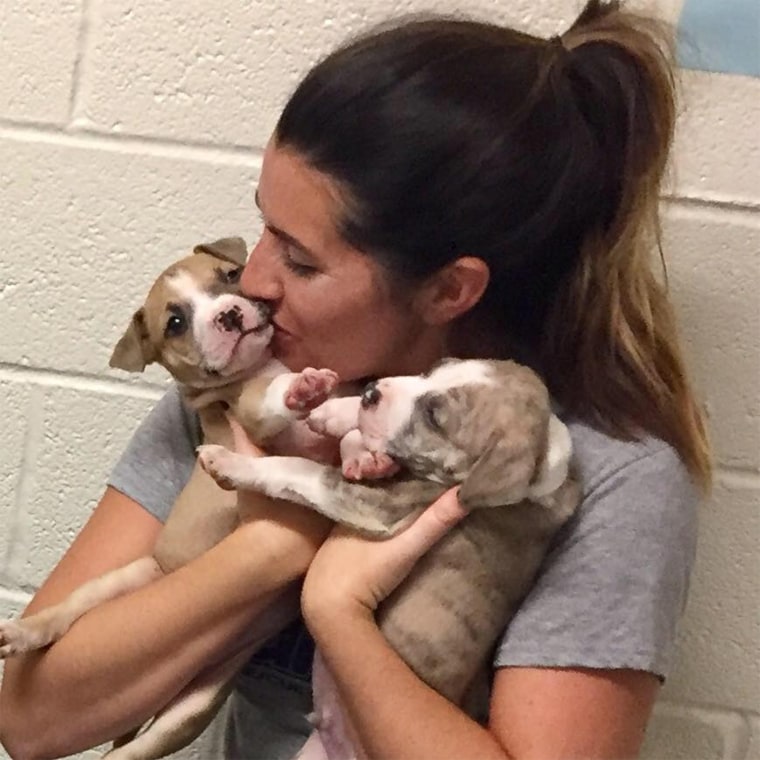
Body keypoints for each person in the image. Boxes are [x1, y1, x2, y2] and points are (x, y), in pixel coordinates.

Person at [0, 1, 711, 758]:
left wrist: (340, 611)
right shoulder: (249, 394)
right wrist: (276, 545)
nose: (258, 283)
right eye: (262, 231)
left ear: (450, 290)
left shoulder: (587, 470)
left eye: (301, 261)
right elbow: (32, 717)